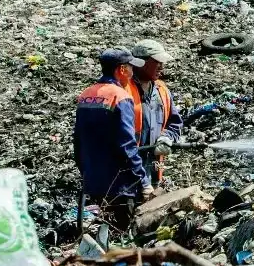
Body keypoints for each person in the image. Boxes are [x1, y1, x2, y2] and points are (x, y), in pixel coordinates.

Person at [73, 49, 151, 231]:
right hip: (119, 183)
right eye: (131, 67)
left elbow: (78, 139)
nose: (133, 73)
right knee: (123, 232)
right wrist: (143, 179)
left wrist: (85, 172)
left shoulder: (86, 94)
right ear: (122, 70)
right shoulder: (120, 96)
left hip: (93, 179)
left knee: (105, 229)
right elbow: (127, 144)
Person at [128, 39, 183, 189]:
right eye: (157, 61)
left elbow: (174, 122)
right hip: (127, 175)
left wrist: (167, 137)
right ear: (140, 62)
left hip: (153, 171)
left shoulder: (161, 90)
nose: (162, 66)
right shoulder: (123, 91)